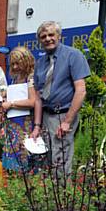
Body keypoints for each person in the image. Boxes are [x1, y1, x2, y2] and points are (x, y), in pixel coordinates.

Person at [30, 21, 89, 176]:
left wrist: (67, 121)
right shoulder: (40, 63)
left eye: (51, 35)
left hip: (64, 113)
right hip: (46, 115)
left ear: (59, 35)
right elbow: (38, 98)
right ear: (39, 40)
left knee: (61, 158)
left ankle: (63, 195)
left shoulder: (73, 55)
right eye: (43, 36)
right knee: (47, 157)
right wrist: (37, 126)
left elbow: (81, 90)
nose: (48, 39)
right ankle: (51, 194)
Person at [0, 46, 37, 171]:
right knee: (12, 156)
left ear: (26, 60)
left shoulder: (31, 77)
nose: (15, 67)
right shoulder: (15, 79)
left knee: (24, 155)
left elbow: (33, 101)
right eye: (13, 64)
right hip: (13, 123)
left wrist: (11, 104)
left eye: (18, 63)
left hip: (25, 123)